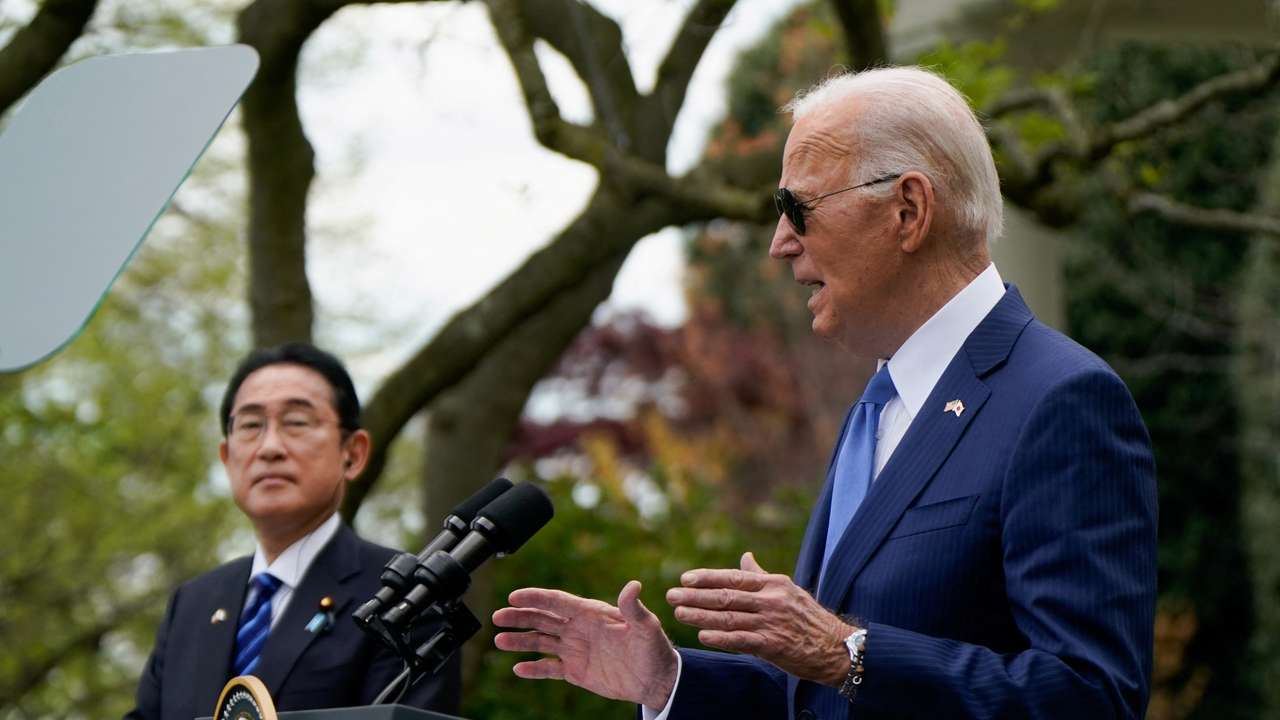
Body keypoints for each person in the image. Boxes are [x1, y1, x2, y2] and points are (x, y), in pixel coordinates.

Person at [491, 66, 1157, 719]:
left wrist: (845, 650)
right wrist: (670, 682)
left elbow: (1091, 697)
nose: (780, 244)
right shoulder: (881, 405)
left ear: (908, 209)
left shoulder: (1061, 402)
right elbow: (821, 696)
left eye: (797, 208)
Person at [127, 343, 460, 720]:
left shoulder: (407, 597)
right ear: (226, 456)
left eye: (297, 422)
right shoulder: (192, 604)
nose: (270, 447)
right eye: (251, 425)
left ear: (353, 453)